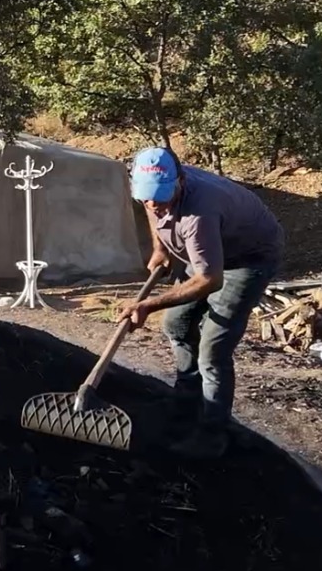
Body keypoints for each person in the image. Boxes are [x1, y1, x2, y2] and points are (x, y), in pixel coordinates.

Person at [115, 146, 284, 458]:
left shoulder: (200, 211)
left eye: (161, 195)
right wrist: (162, 249)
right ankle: (187, 400)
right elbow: (153, 210)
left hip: (247, 259)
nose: (152, 202)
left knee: (212, 351)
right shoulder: (154, 191)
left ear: (179, 181)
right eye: (146, 194)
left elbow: (210, 279)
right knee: (176, 324)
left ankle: (212, 434)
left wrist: (148, 305)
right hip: (208, 252)